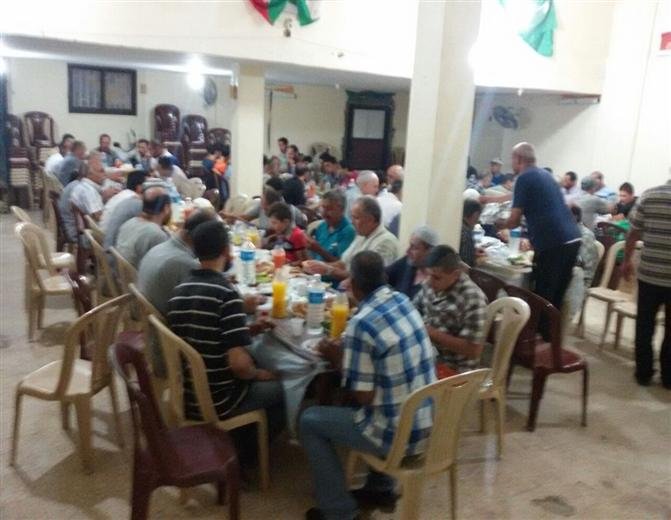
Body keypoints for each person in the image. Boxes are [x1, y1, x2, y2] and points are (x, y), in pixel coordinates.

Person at [300, 251, 436, 520]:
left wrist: (336, 357)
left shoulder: (361, 323)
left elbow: (364, 395)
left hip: (397, 435)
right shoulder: (402, 300)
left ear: (353, 284)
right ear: (383, 276)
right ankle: (380, 487)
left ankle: (338, 510)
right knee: (388, 391)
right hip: (427, 421)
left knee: (310, 420)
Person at [167, 220, 285, 428]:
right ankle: (243, 443)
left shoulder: (179, 290)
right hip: (217, 401)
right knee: (280, 387)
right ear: (226, 250)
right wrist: (259, 374)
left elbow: (204, 331)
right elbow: (239, 366)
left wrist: (246, 330)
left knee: (253, 361)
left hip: (186, 395)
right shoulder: (226, 294)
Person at [497, 142, 580, 314]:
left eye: (512, 159)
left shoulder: (523, 178)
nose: (511, 163)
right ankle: (553, 330)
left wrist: (499, 224)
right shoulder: (547, 175)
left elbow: (514, 220)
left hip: (553, 242)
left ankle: (539, 329)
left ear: (519, 159)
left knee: (542, 297)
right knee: (556, 298)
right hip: (573, 237)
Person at [621, 180, 671, 388]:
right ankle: (668, 377)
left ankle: (643, 373)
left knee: (644, 325)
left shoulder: (649, 195)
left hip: (649, 275)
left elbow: (633, 232)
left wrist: (626, 260)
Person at [413, 245, 487, 374]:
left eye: (436, 277)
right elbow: (414, 309)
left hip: (454, 369)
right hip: (429, 355)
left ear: (456, 274)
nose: (429, 282)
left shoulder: (473, 298)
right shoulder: (432, 284)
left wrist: (429, 332)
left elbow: (473, 350)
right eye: (428, 275)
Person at [138, 209, 216, 317]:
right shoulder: (186, 263)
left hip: (150, 317)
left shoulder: (160, 248)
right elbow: (203, 304)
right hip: (168, 323)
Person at [303, 196, 400, 282]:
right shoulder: (362, 235)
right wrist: (318, 265)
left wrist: (329, 270)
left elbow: (367, 279)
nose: (352, 222)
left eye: (356, 218)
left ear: (370, 219)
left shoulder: (386, 242)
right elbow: (343, 263)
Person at [115, 187, 171, 268]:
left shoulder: (130, 222)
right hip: (137, 275)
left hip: (120, 271)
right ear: (166, 208)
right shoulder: (156, 235)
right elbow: (164, 266)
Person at [58, 162, 108, 242]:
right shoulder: (87, 190)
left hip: (74, 228)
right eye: (101, 171)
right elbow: (98, 218)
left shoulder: (80, 186)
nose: (105, 174)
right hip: (81, 234)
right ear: (89, 174)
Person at [385, 225, 438, 299]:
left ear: (430, 251)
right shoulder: (406, 262)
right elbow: (382, 275)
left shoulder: (436, 280)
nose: (407, 251)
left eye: (414, 247)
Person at [103, 171, 149, 250]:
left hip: (106, 239)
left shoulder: (124, 194)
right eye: (149, 185)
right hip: (112, 247)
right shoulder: (135, 200)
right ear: (139, 187)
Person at [307, 189, 355, 262]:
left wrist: (319, 250)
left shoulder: (348, 231)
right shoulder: (322, 226)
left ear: (341, 210)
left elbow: (342, 264)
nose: (324, 213)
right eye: (323, 207)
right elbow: (313, 257)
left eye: (329, 209)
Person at [570, 206, 600, 290]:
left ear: (574, 217)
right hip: (568, 277)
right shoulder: (567, 231)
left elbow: (578, 264)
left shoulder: (585, 236)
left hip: (578, 283)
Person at [460, 199, 483, 268]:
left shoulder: (457, 226)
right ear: (475, 215)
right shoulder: (466, 233)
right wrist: (480, 261)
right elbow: (467, 264)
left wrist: (472, 251)